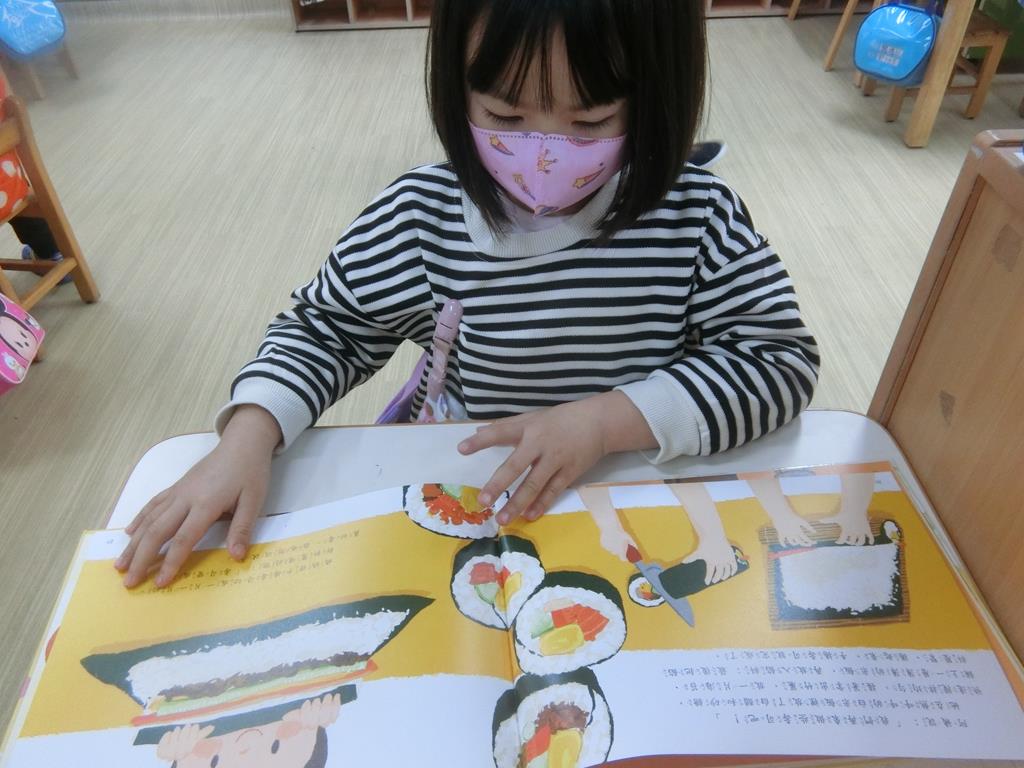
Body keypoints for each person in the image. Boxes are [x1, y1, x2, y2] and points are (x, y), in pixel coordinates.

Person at [116, 0, 819, 589]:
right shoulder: (420, 215)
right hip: (473, 486)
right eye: (506, 117)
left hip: (637, 488)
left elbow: (778, 363)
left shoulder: (694, 216)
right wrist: (247, 438)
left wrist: (606, 423)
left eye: (589, 123)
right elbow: (326, 330)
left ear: (656, 96)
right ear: (456, 91)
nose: (545, 153)